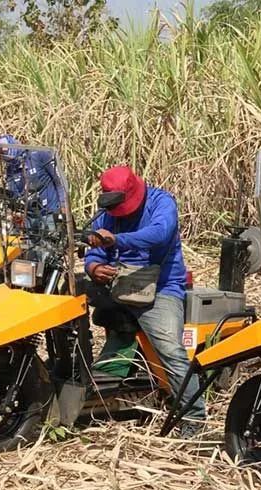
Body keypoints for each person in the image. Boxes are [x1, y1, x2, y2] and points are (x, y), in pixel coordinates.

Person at [83, 166, 203, 438]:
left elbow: (159, 234)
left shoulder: (162, 203)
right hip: (122, 287)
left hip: (160, 289)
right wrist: (93, 268)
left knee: (171, 351)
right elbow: (94, 248)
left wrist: (116, 240)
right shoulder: (108, 213)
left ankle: (194, 417)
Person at [0, 134, 67, 232]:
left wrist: (64, 205)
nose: (5, 154)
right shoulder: (11, 169)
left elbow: (59, 181)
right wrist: (13, 212)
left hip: (50, 212)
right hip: (29, 218)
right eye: (2, 154)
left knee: (50, 244)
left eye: (5, 151)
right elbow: (14, 194)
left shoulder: (40, 155)